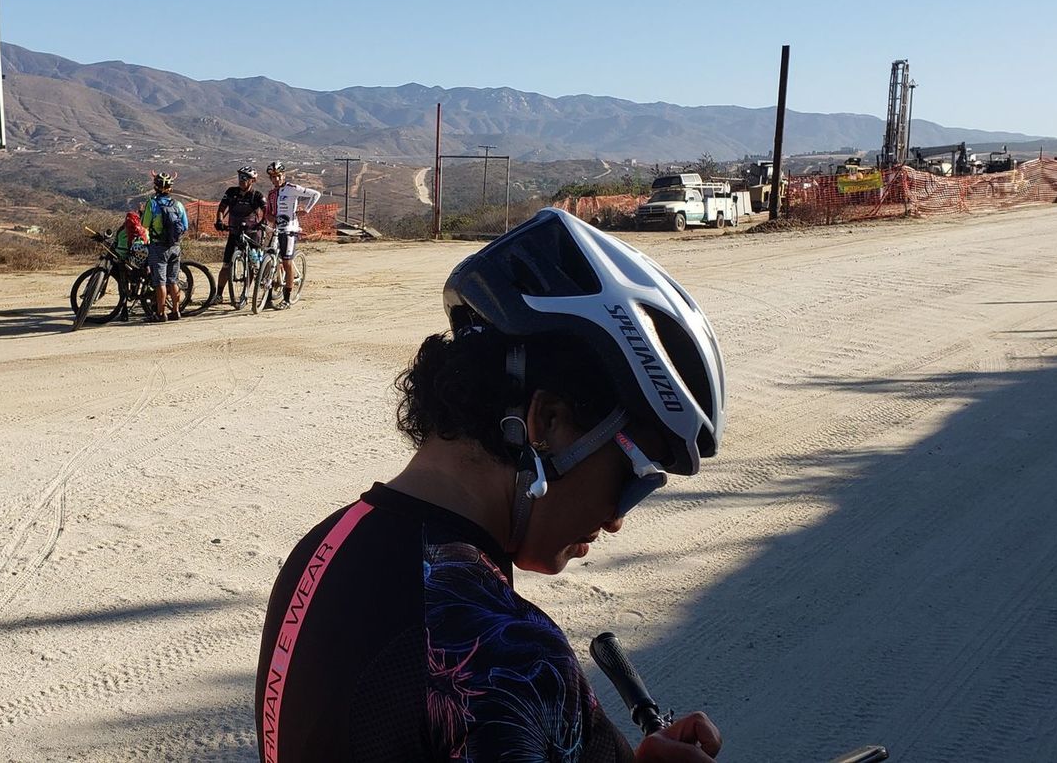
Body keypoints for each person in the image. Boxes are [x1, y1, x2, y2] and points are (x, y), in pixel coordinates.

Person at [254, 207, 728, 762]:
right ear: (546, 422)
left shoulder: (327, 547)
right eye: (636, 475)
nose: (617, 518)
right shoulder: (504, 653)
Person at [263, 161, 322, 309]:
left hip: (290, 229)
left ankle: (287, 299)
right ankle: (268, 298)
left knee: (287, 262)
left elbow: (316, 194)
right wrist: (270, 220)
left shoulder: (291, 188)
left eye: (279, 176)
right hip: (276, 230)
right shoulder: (271, 194)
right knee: (269, 260)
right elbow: (268, 213)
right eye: (273, 177)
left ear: (284, 175)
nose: (276, 179)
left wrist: (306, 210)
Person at [139, 171, 190, 322]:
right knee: (173, 280)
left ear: (155, 187)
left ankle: (161, 313)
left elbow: (144, 224)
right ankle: (176, 311)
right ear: (170, 188)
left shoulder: (152, 204)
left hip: (158, 247)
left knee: (160, 282)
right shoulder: (178, 204)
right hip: (175, 246)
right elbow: (185, 226)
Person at [215, 165, 268, 296]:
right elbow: (222, 208)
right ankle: (219, 294)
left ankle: (246, 292)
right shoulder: (231, 192)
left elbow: (266, 211)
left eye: (245, 178)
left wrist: (262, 223)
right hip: (234, 232)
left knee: (252, 264)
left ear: (252, 180)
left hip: (252, 234)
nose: (241, 180)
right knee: (226, 265)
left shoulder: (257, 195)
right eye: (240, 177)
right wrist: (219, 221)